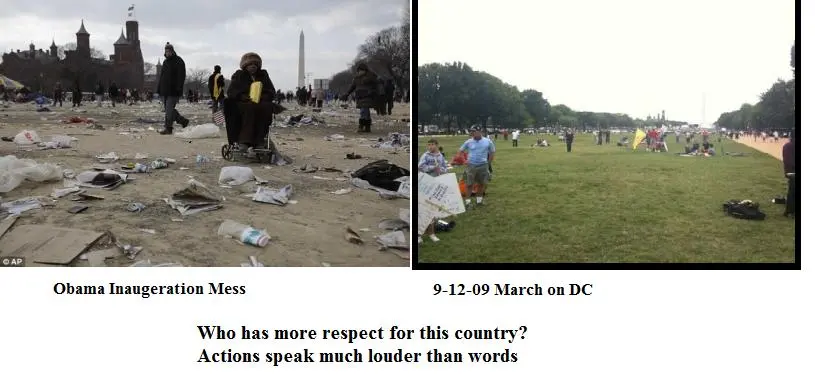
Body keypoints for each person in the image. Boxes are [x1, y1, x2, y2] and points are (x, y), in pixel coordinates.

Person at [225, 52, 286, 152]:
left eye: (255, 64)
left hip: (260, 102)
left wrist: (263, 97)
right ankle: (244, 141)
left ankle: (259, 140)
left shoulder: (263, 75)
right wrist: (242, 96)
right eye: (250, 64)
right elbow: (231, 91)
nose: (253, 66)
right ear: (245, 66)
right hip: (243, 102)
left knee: (265, 108)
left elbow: (271, 91)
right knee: (249, 109)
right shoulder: (239, 75)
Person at [418, 138, 448, 243]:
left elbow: (445, 168)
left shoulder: (440, 156)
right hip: (425, 185)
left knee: (432, 211)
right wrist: (432, 167)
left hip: (436, 185)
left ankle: (431, 233)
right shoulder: (426, 155)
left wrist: (441, 170)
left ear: (436, 145)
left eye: (432, 145)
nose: (430, 147)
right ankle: (418, 234)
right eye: (429, 145)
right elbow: (420, 167)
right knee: (422, 210)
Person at [157, 42, 189, 134]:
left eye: (169, 51)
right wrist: (159, 89)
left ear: (172, 51)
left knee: (169, 110)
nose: (167, 52)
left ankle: (171, 127)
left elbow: (181, 76)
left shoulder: (179, 61)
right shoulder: (165, 62)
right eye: (166, 51)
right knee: (168, 110)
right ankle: (179, 123)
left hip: (173, 90)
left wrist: (179, 88)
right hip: (164, 90)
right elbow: (162, 77)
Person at [459, 128, 495, 208]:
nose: (473, 133)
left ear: (480, 132)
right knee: (469, 184)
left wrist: (488, 163)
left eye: (474, 132)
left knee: (481, 183)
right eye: (472, 132)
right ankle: (468, 203)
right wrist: (464, 160)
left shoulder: (487, 141)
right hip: (471, 165)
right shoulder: (469, 142)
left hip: (483, 165)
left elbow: (492, 151)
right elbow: (461, 151)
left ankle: (479, 201)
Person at [343, 63, 379, 133]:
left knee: (363, 111)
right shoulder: (356, 78)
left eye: (361, 70)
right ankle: (367, 127)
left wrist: (373, 91)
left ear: (365, 70)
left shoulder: (371, 77)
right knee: (366, 112)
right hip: (359, 97)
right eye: (359, 70)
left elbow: (376, 85)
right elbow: (352, 87)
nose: (360, 72)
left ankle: (361, 126)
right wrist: (347, 94)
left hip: (367, 97)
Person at [782, 133, 795, 217]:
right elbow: (789, 161)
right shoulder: (788, 146)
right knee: (792, 192)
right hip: (792, 172)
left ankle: (790, 211)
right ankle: (790, 211)